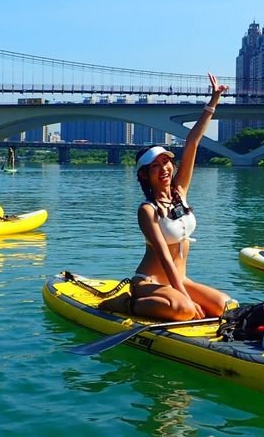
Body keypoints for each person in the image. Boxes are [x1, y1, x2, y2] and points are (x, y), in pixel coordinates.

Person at [99, 73, 232, 321]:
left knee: (227, 305)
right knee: (183, 310)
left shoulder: (179, 193)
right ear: (145, 175)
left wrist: (213, 101)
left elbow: (192, 142)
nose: (164, 169)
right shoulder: (147, 210)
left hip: (180, 280)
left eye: (166, 162)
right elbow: (164, 258)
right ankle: (124, 303)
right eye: (155, 166)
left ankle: (180, 299)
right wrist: (187, 300)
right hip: (150, 282)